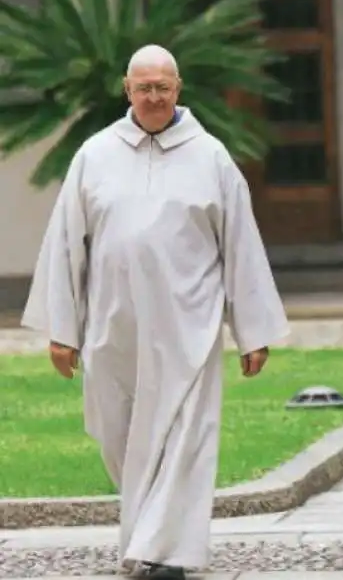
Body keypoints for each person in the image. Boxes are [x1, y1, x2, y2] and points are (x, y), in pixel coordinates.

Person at [21, 44, 290, 580]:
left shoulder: (211, 157)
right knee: (117, 433)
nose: (153, 97)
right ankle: (151, 536)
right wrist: (62, 331)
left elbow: (241, 246)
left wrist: (252, 331)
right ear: (127, 90)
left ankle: (166, 554)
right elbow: (66, 247)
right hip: (111, 329)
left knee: (186, 439)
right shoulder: (93, 156)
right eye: (143, 87)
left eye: (162, 87)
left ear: (178, 88)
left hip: (188, 329)